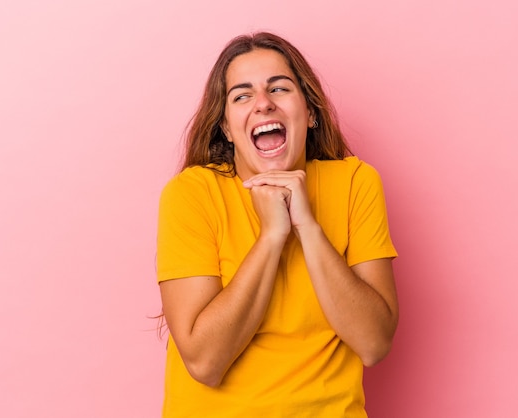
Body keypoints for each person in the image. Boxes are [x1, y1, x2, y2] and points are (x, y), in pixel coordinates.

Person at [156, 31, 398, 417]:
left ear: (311, 112)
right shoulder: (191, 194)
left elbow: (374, 343)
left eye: (279, 88)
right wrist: (272, 236)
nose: (263, 104)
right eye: (242, 95)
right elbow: (204, 363)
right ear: (226, 128)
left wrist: (307, 226)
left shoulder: (355, 182)